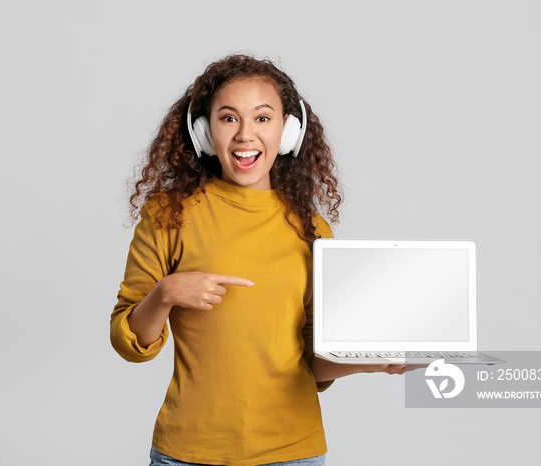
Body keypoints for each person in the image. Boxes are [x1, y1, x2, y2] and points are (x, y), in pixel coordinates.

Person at [110, 55, 405, 466]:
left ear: (288, 131)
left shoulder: (312, 228)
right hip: (190, 453)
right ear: (204, 131)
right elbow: (129, 343)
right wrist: (164, 294)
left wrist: (367, 363)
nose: (245, 135)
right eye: (228, 119)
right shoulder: (168, 215)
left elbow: (313, 365)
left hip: (292, 453)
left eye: (263, 118)